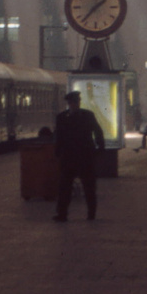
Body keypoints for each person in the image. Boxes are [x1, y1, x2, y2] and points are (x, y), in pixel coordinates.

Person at [53, 91, 105, 221]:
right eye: (72, 103)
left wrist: (100, 147)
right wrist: (58, 152)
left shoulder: (87, 115)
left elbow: (98, 132)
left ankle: (91, 213)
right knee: (65, 187)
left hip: (85, 156)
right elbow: (58, 137)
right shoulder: (62, 117)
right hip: (69, 157)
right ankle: (62, 214)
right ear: (69, 103)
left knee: (89, 187)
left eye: (76, 102)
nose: (74, 105)